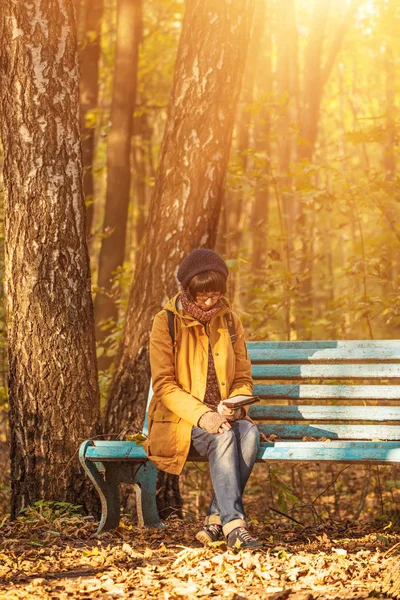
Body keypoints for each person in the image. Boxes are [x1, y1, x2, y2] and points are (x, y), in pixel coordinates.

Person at [145, 248, 261, 549]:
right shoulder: (166, 322)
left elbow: (243, 378)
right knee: (223, 435)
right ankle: (236, 525)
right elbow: (164, 385)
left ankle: (215, 520)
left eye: (214, 295)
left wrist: (235, 406)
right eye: (202, 296)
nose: (209, 302)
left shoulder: (230, 322)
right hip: (180, 420)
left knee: (248, 433)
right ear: (188, 290)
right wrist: (205, 416)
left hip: (221, 415)